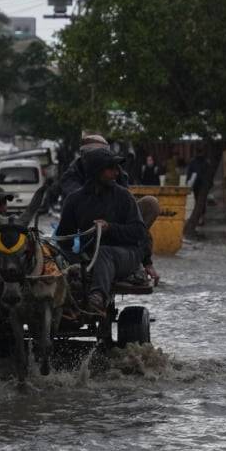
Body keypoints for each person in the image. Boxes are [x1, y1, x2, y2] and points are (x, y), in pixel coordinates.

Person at [58, 148, 149, 317]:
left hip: (126, 255)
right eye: (111, 168)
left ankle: (98, 297)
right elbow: (65, 239)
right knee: (56, 256)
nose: (116, 172)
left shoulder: (124, 196)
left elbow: (139, 232)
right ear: (96, 171)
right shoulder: (75, 200)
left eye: (117, 168)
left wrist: (110, 228)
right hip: (90, 256)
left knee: (104, 252)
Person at [58, 134, 128, 197]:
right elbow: (76, 196)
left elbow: (123, 190)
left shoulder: (114, 168)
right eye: (98, 153)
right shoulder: (72, 173)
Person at [187, 151, 211, 226]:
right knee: (200, 201)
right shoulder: (204, 162)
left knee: (200, 201)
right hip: (199, 185)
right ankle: (200, 218)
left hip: (200, 184)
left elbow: (189, 173)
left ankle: (200, 218)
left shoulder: (196, 162)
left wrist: (188, 182)